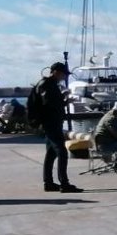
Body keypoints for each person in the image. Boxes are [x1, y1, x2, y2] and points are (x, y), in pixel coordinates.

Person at [33, 62, 82, 193]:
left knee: (51, 153)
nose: (64, 77)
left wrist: (64, 100)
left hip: (50, 123)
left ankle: (48, 183)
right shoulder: (47, 85)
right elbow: (50, 104)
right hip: (51, 123)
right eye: (63, 74)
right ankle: (64, 183)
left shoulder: (48, 84)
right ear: (56, 72)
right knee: (62, 152)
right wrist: (64, 98)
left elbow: (52, 103)